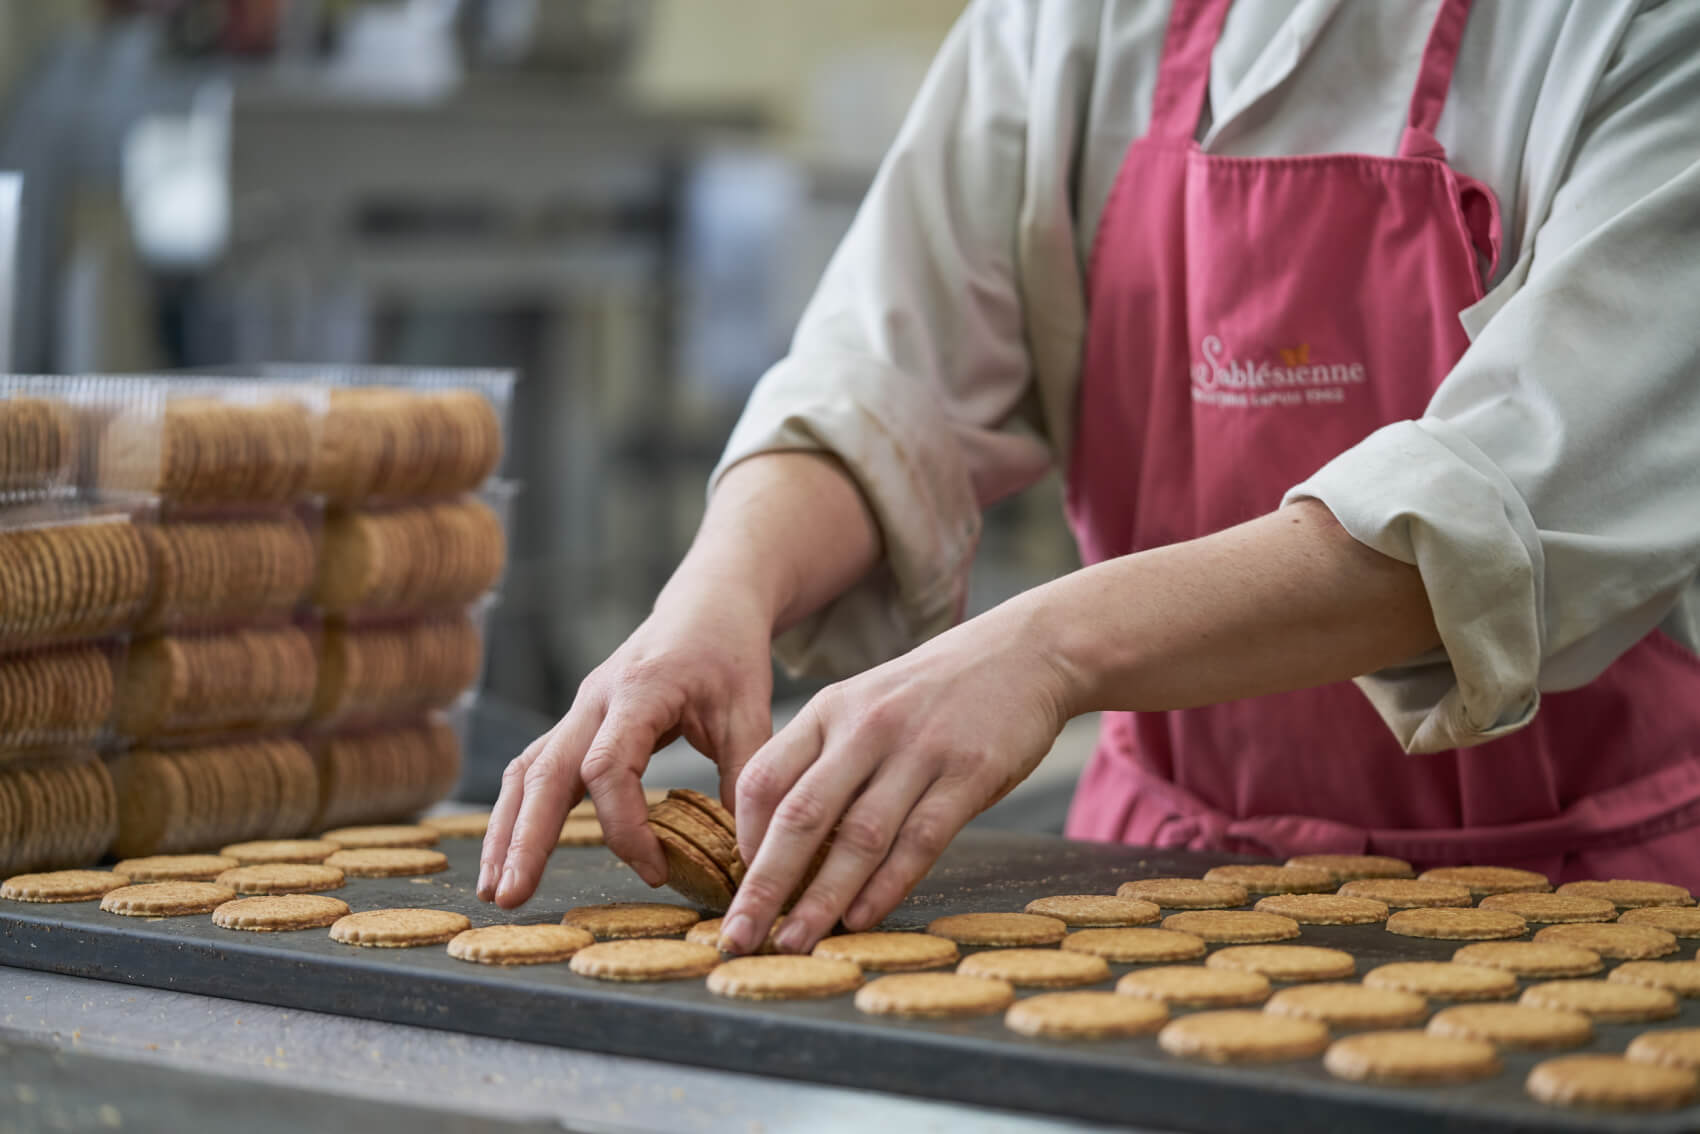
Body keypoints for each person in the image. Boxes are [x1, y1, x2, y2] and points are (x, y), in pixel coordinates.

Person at [478, 0, 1700, 956]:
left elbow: (1516, 502)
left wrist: (1044, 649)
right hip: (1151, 890)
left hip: (1576, 906)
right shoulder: (1066, 19)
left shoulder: (1635, 26)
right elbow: (885, 374)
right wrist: (721, 591)